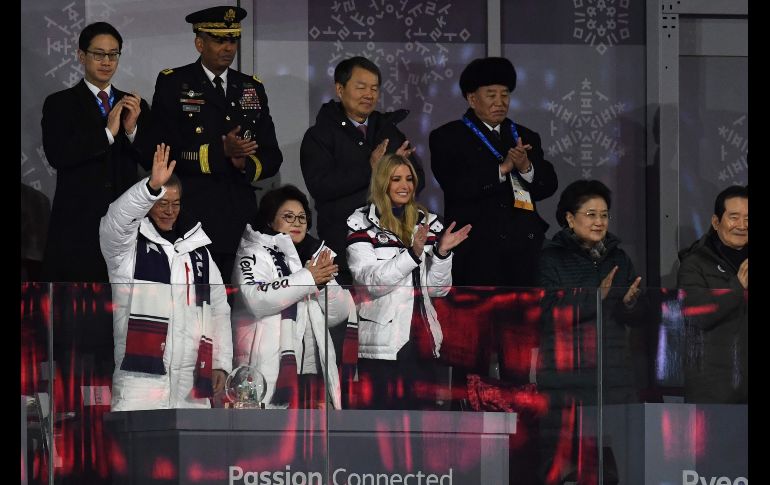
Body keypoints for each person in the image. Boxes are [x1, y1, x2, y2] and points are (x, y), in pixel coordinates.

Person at [149, 6, 283, 283]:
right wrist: (219, 154)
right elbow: (161, 150)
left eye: (232, 40)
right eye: (219, 40)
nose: (228, 47)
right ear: (200, 43)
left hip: (240, 216)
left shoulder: (251, 87)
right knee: (196, 303)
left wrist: (243, 163)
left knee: (240, 308)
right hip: (191, 214)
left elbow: (272, 155)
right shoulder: (174, 82)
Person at [99, 144, 233, 411]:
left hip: (191, 388)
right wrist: (149, 188)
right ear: (149, 203)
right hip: (140, 386)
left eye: (175, 203)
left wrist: (220, 362)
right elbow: (115, 221)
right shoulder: (127, 248)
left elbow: (219, 309)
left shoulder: (199, 252)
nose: (169, 210)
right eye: (161, 203)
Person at [536, 179, 645, 484]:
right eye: (591, 214)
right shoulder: (551, 258)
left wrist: (630, 303)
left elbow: (637, 316)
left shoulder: (618, 257)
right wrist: (598, 296)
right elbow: (548, 313)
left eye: (604, 215)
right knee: (561, 466)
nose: (600, 222)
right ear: (570, 218)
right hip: (566, 379)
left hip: (613, 377)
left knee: (613, 466)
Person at [346, 154, 471, 409]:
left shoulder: (428, 221)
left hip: (423, 339)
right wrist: (412, 254)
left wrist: (442, 254)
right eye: (396, 179)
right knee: (382, 429)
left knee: (420, 430)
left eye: (409, 179)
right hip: (384, 343)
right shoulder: (360, 223)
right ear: (382, 183)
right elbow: (371, 282)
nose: (405, 185)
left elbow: (439, 289)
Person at [429, 56, 558, 287]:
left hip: (523, 250)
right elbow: (457, 186)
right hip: (475, 251)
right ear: (472, 98)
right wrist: (502, 169)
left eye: (505, 94)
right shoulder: (448, 137)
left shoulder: (525, 135)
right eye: (491, 95)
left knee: (522, 319)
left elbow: (547, 186)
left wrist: (526, 168)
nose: (500, 102)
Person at [42, 21, 150, 283]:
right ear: (81, 56)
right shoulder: (60, 103)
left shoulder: (135, 105)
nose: (107, 61)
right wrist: (107, 135)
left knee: (125, 309)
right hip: (78, 225)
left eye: (113, 54)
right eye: (98, 54)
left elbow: (149, 160)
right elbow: (58, 155)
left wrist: (132, 129)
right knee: (80, 311)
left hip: (125, 227)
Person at [301, 56, 425, 285]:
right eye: (361, 87)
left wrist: (401, 173)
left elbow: (420, 179)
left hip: (393, 244)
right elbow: (321, 186)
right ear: (340, 89)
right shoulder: (319, 135)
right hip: (343, 242)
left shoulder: (388, 129)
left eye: (374, 89)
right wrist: (370, 168)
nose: (369, 94)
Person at [231, 185, 356, 409]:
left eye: (302, 217)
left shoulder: (316, 255)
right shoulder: (253, 252)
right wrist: (308, 278)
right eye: (288, 217)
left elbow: (339, 313)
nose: (297, 222)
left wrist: (321, 282)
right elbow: (256, 299)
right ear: (270, 221)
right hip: (267, 365)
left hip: (310, 366)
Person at [677, 185, 748, 403]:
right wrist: (737, 287)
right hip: (715, 389)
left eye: (748, 218)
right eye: (734, 217)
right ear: (716, 222)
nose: (742, 226)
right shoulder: (694, 264)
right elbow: (696, 314)